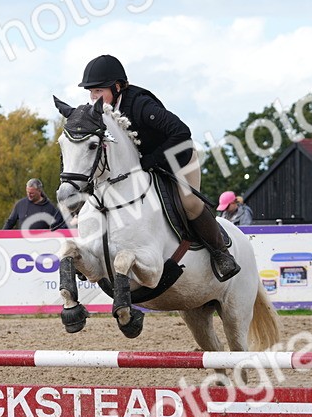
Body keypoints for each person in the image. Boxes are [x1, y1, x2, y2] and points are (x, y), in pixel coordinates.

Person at [80, 54, 240, 280]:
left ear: (117, 87)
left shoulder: (141, 105)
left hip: (178, 157)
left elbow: (181, 133)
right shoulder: (100, 114)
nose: (94, 97)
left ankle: (221, 253)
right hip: (141, 167)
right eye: (91, 92)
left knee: (189, 203)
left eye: (99, 91)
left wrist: (152, 160)